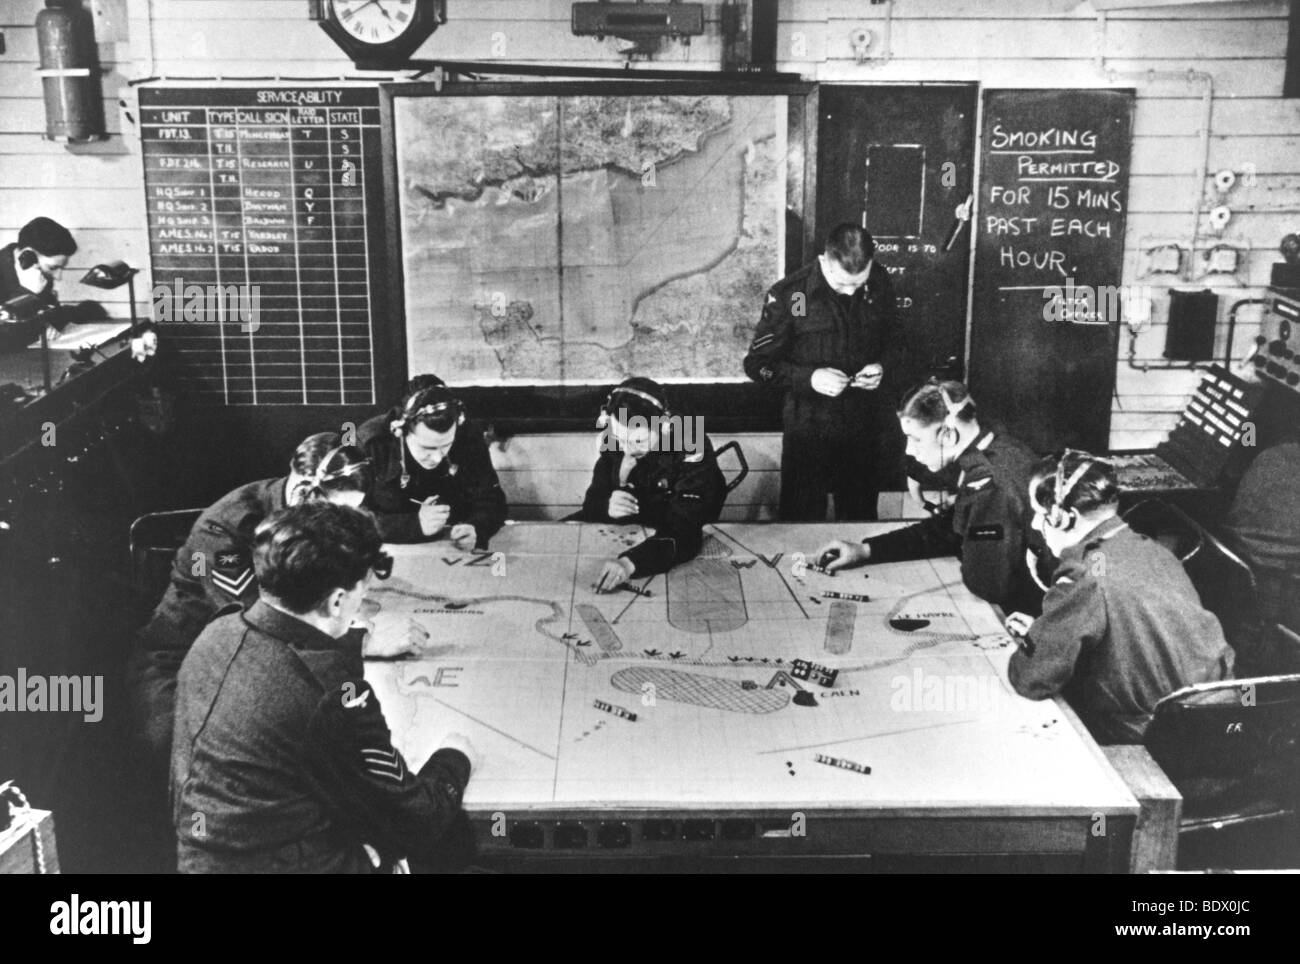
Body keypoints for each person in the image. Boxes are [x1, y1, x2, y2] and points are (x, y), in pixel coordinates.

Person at [171, 502, 476, 873]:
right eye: (360, 593)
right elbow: (414, 817)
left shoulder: (216, 634)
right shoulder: (335, 695)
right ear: (336, 601)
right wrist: (456, 758)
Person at [127, 432, 376, 771]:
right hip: (182, 670)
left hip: (241, 665)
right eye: (337, 515)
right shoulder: (229, 531)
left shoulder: (306, 514)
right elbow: (262, 632)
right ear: (306, 493)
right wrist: (359, 642)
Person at [1004, 451, 1235, 745]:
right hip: (1218, 711)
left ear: (1065, 518)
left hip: (1158, 734)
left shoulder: (1084, 575)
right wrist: (1048, 630)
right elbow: (1123, 614)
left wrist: (1039, 644)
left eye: (1040, 512)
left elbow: (1032, 679)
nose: (1036, 524)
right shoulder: (1152, 549)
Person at [815, 379, 1047, 616]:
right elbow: (947, 531)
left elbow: (987, 584)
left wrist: (967, 525)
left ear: (948, 434)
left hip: (1025, 616)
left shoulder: (988, 484)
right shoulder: (1001, 446)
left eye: (915, 438)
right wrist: (867, 550)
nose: (908, 450)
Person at [743, 223, 902, 521]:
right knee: (801, 522)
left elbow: (897, 341)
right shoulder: (794, 295)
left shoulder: (878, 282)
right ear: (824, 260)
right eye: (843, 284)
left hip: (863, 429)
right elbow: (758, 365)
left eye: (859, 283)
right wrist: (809, 378)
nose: (852, 291)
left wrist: (883, 367)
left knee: (860, 519)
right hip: (809, 431)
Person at [567, 378, 727, 593]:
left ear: (663, 426)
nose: (627, 450)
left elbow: (686, 528)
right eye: (620, 441)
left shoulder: (690, 439)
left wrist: (629, 563)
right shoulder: (617, 434)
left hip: (669, 527)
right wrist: (607, 505)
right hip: (628, 527)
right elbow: (592, 503)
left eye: (638, 442)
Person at [358, 381, 507, 548]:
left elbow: (493, 501)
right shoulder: (372, 443)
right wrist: (412, 525)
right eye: (427, 447)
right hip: (390, 550)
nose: (437, 458)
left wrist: (477, 528)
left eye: (446, 445)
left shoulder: (468, 436)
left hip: (450, 549)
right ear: (401, 432)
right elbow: (347, 517)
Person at [0, 217, 76, 351]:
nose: (58, 277)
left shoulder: (39, 272)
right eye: (53, 268)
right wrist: (26, 293)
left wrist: (46, 325)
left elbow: (53, 314)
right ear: (28, 255)